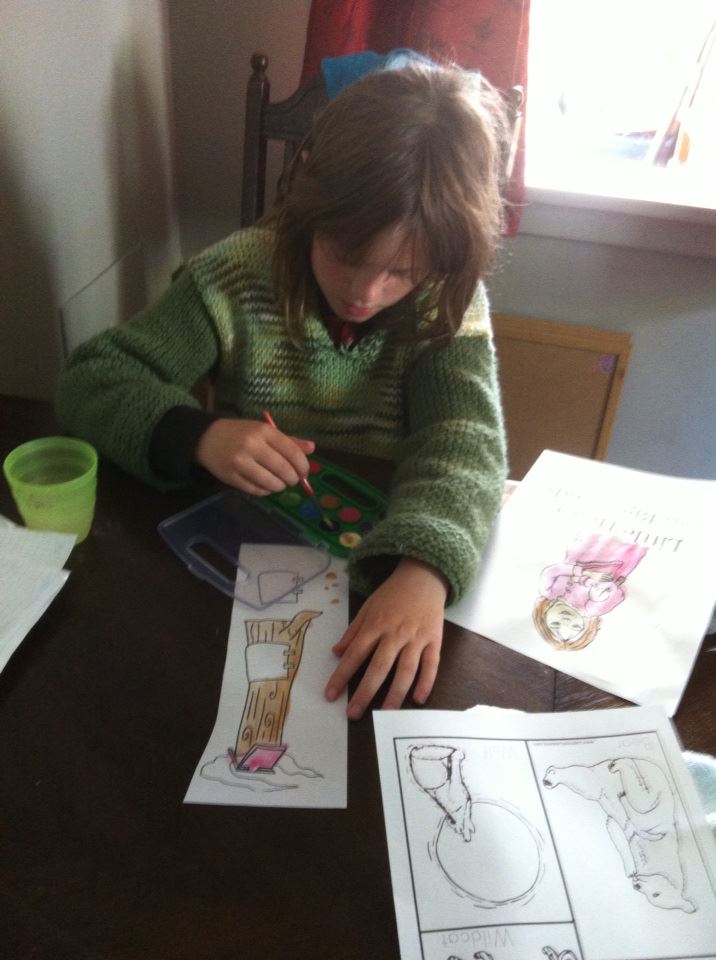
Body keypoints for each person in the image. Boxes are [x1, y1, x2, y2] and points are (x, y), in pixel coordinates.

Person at [56, 60, 509, 719]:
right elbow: (91, 379)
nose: (365, 292)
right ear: (308, 202)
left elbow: (464, 441)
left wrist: (424, 569)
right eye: (346, 257)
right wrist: (199, 434)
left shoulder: (446, 302)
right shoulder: (235, 276)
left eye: (401, 273)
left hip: (384, 552)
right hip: (247, 556)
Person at [533, 534, 648, 650]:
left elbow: (551, 571)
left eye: (555, 624)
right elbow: (617, 593)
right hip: (620, 557)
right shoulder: (592, 609)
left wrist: (584, 573)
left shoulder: (548, 592)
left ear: (543, 616)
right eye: (575, 626)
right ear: (587, 626)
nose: (565, 621)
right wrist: (594, 592)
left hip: (586, 545)